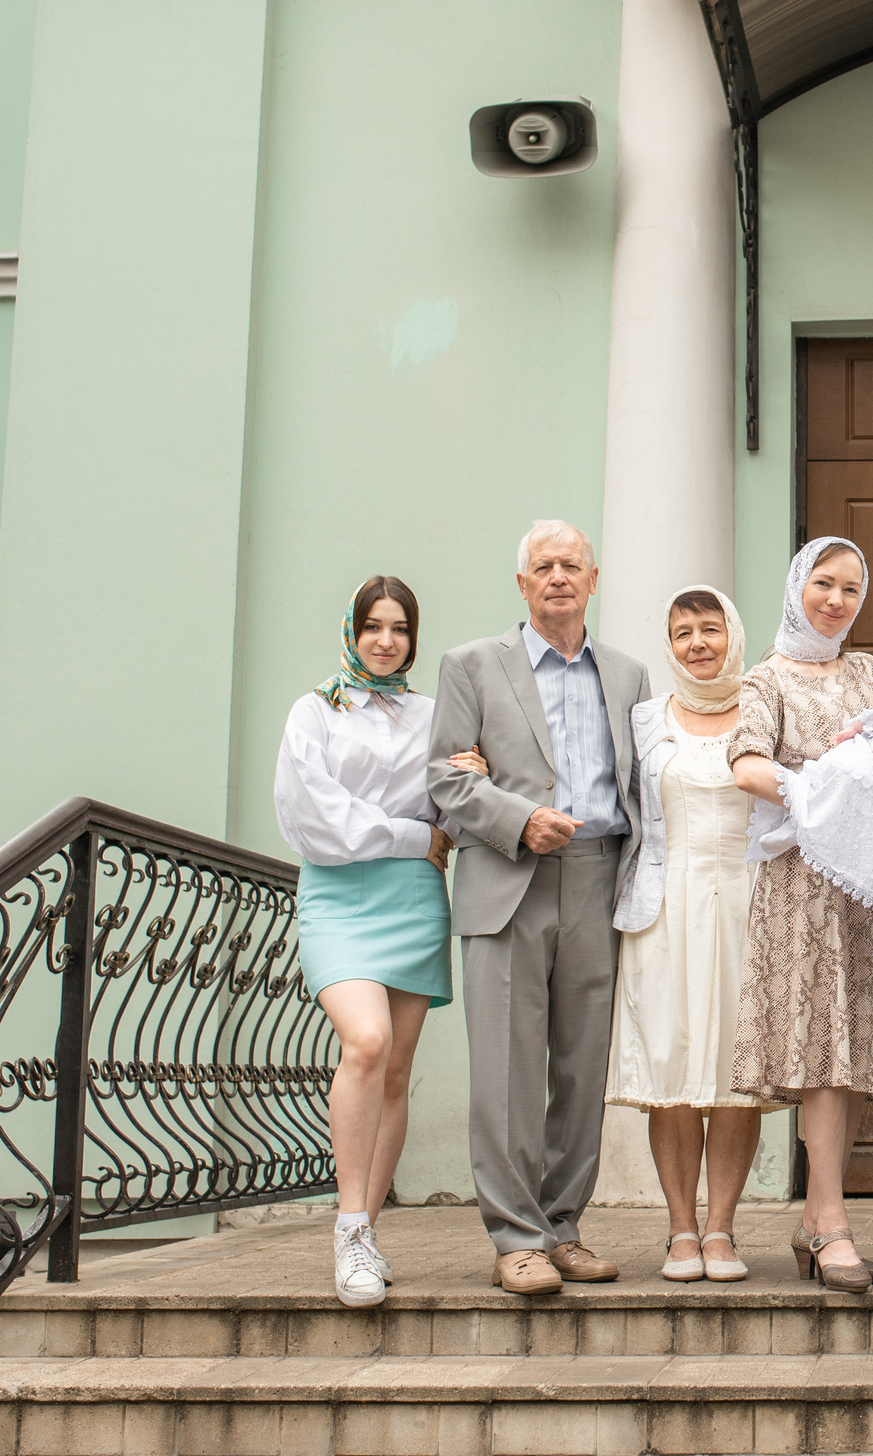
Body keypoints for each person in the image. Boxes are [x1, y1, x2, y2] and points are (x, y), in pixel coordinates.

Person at [428, 520, 649, 1297]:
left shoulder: (627, 674)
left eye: (571, 565)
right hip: (508, 877)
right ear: (522, 585)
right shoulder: (471, 665)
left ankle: (563, 1226)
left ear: (595, 579)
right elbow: (445, 780)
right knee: (506, 1069)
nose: (558, 576)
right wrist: (517, 817)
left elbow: (643, 782)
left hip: (597, 877)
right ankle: (515, 1236)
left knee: (581, 1067)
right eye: (542, 566)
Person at [729, 537, 873, 1296]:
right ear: (797, 586)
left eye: (852, 588)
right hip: (805, 887)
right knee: (822, 1050)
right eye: (824, 583)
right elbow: (746, 764)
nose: (837, 600)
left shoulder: (868, 673)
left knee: (850, 1060)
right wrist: (824, 789)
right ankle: (833, 1223)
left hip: (868, 886)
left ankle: (819, 1218)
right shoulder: (766, 678)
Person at [273, 576, 458, 1309]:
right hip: (339, 898)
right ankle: (349, 1228)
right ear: (350, 630)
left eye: (400, 628)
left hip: (415, 902)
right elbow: (318, 818)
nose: (386, 640)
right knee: (367, 1042)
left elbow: (453, 797)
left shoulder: (433, 715)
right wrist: (414, 833)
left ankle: (368, 1232)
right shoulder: (313, 711)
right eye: (373, 626)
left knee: (395, 1071)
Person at [607, 586, 781, 1284]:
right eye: (683, 632)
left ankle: (721, 1229)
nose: (698, 643)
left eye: (711, 628)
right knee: (673, 1072)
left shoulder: (766, 712)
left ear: (734, 635)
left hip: (746, 903)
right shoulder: (645, 720)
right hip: (664, 906)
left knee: (733, 1075)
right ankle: (680, 1228)